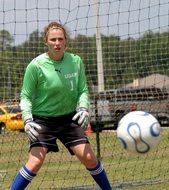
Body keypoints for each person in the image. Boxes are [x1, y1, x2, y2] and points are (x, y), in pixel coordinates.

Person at [10, 21, 112, 190]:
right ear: (46, 42)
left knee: (89, 158)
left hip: (68, 119)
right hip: (43, 120)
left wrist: (84, 108)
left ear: (66, 41)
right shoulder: (35, 66)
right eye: (53, 40)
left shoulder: (76, 61)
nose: (57, 43)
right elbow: (26, 96)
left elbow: (82, 90)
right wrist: (27, 120)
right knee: (35, 162)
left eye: (60, 39)